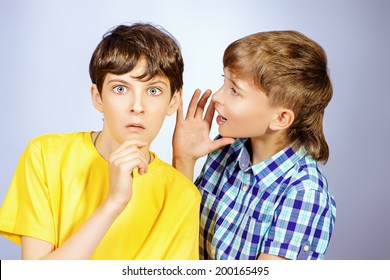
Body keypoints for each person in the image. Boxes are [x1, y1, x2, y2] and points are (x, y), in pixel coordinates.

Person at [0, 23, 200, 260]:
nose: (137, 106)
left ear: (174, 102)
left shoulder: (183, 194)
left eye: (154, 91)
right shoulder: (45, 154)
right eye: (120, 88)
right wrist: (113, 203)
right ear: (98, 97)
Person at [173, 30, 336, 260]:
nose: (217, 96)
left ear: (281, 118)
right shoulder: (225, 150)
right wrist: (184, 159)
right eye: (224, 81)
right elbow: (176, 235)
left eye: (234, 91)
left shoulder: (304, 194)